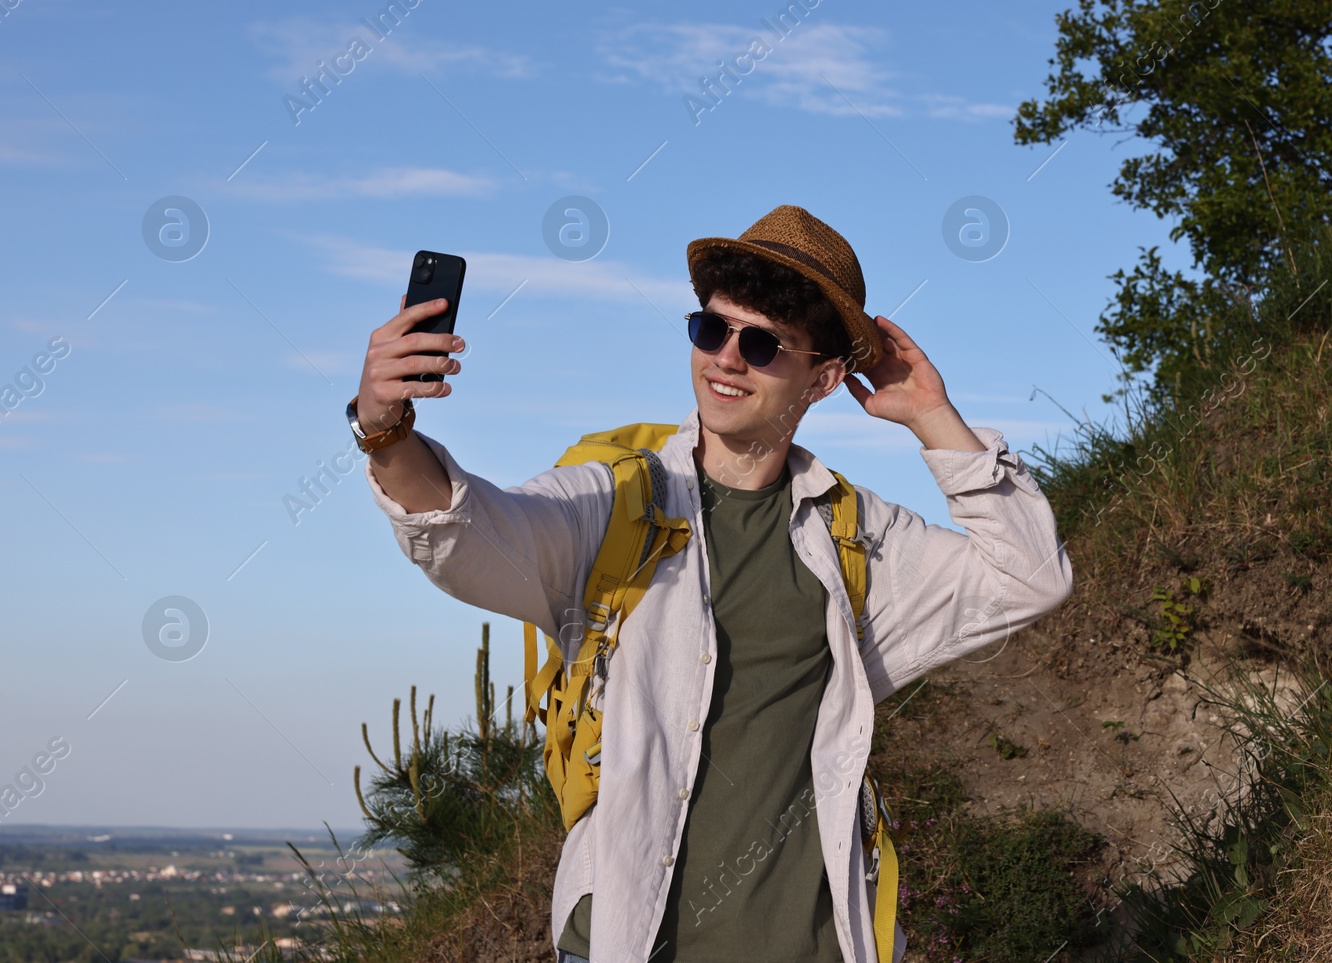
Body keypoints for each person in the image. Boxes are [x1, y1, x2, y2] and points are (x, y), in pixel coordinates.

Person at [353, 204, 1074, 963]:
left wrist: (934, 416)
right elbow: (468, 529)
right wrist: (385, 426)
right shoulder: (614, 504)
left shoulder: (852, 534)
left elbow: (1029, 575)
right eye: (711, 329)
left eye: (762, 344)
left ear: (823, 378)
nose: (727, 358)